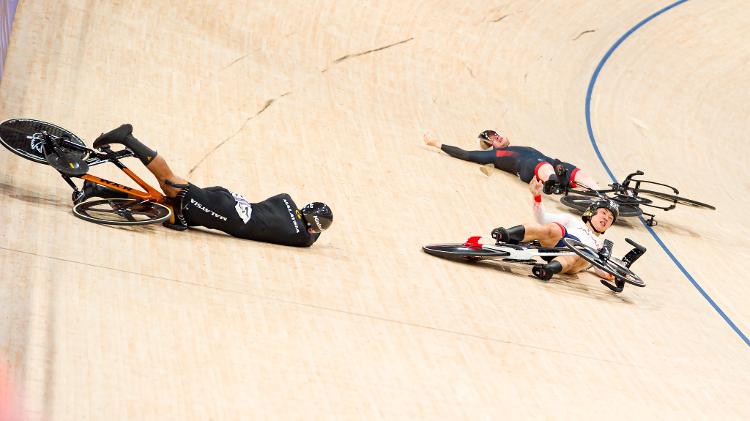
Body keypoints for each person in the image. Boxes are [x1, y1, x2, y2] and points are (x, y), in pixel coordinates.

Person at [78, 124, 332, 247]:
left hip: (229, 201)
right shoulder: (299, 238)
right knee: (169, 183)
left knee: (169, 211)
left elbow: (278, 200)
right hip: (225, 213)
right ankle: (128, 139)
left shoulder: (286, 202)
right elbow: (312, 236)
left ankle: (98, 190)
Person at [491, 178, 619, 282]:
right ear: (591, 213)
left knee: (577, 253)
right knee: (553, 228)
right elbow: (542, 219)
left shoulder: (602, 245)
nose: (606, 218)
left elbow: (604, 271)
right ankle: (506, 234)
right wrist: (537, 197)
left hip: (575, 257)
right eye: (603, 213)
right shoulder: (572, 221)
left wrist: (614, 274)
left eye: (610, 218)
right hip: (559, 242)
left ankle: (548, 269)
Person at [423, 130, 600, 192]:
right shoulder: (494, 155)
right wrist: (435, 143)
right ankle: (553, 181)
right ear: (490, 146)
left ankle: (599, 192)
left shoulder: (522, 147)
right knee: (540, 163)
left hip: (550, 164)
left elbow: (550, 161)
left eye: (496, 134)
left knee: (576, 171)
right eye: (492, 139)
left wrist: (560, 167)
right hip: (530, 168)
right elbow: (466, 154)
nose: (496, 137)